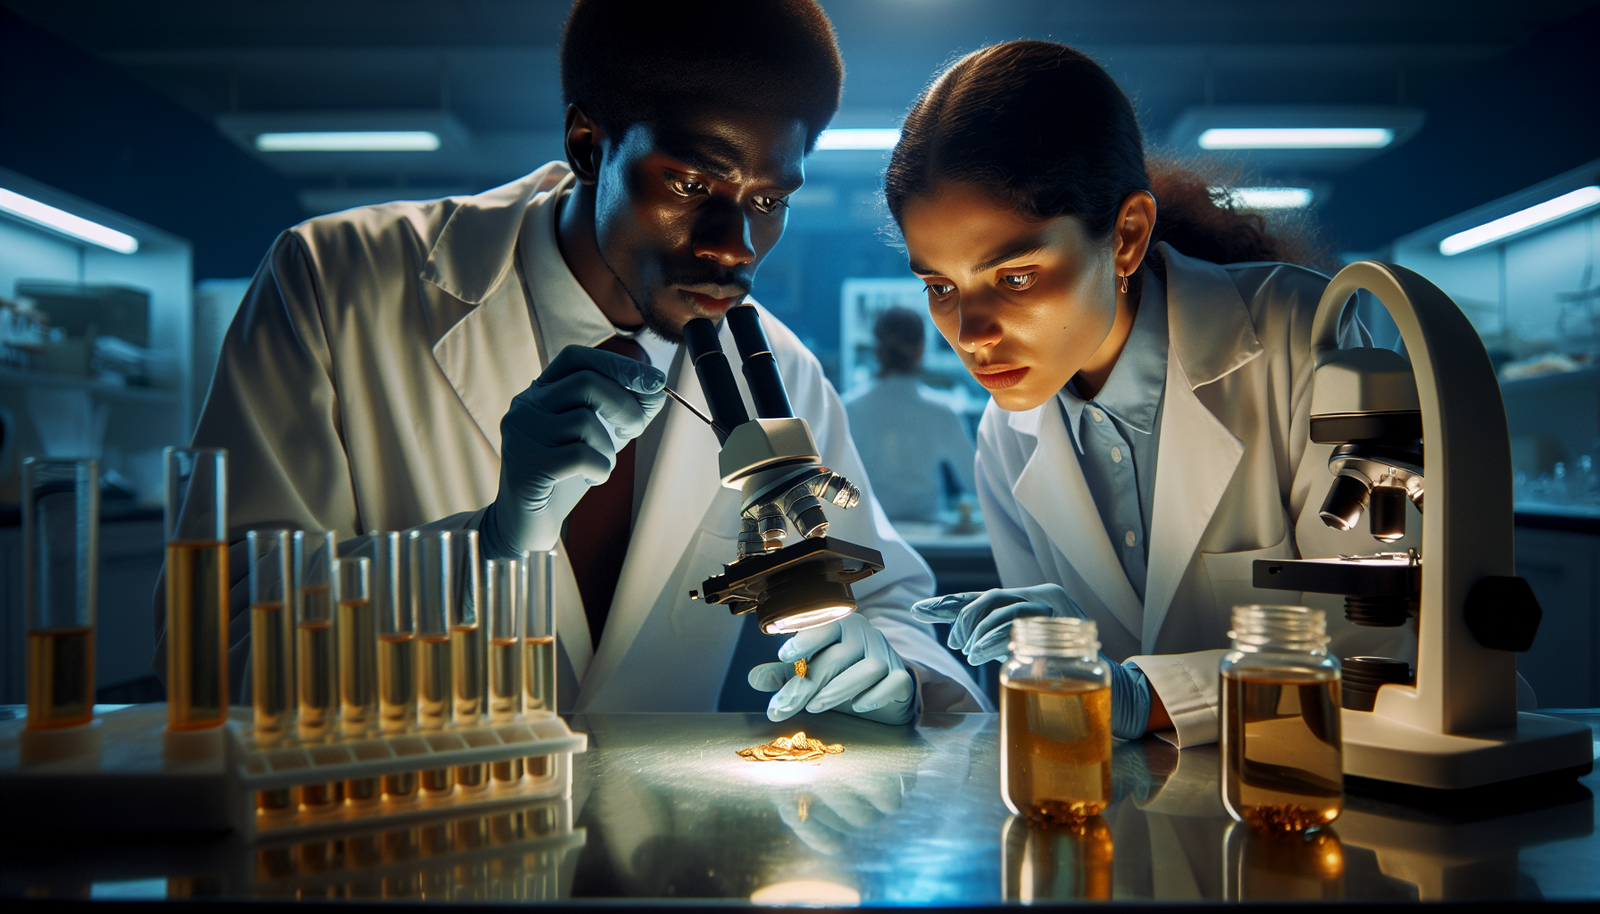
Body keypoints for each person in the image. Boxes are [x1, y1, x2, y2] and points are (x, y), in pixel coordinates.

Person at [156, 0, 986, 723]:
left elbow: (887, 601)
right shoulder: (335, 282)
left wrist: (894, 670)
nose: (735, 251)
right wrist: (494, 540)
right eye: (696, 184)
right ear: (589, 143)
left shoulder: (781, 372)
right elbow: (207, 647)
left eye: (768, 202)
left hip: (657, 866)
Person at [887, 40, 1422, 746]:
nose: (973, 333)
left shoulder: (1299, 336)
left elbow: (1387, 646)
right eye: (941, 288)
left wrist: (1144, 694)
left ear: (1128, 237)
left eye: (1015, 276)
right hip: (1137, 815)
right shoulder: (1007, 433)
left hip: (1332, 802)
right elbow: (1069, 700)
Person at [844, 306, 977, 524]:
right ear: (921, 349)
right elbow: (975, 483)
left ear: (877, 349)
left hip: (871, 537)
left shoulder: (849, 408)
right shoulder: (942, 412)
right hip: (932, 543)